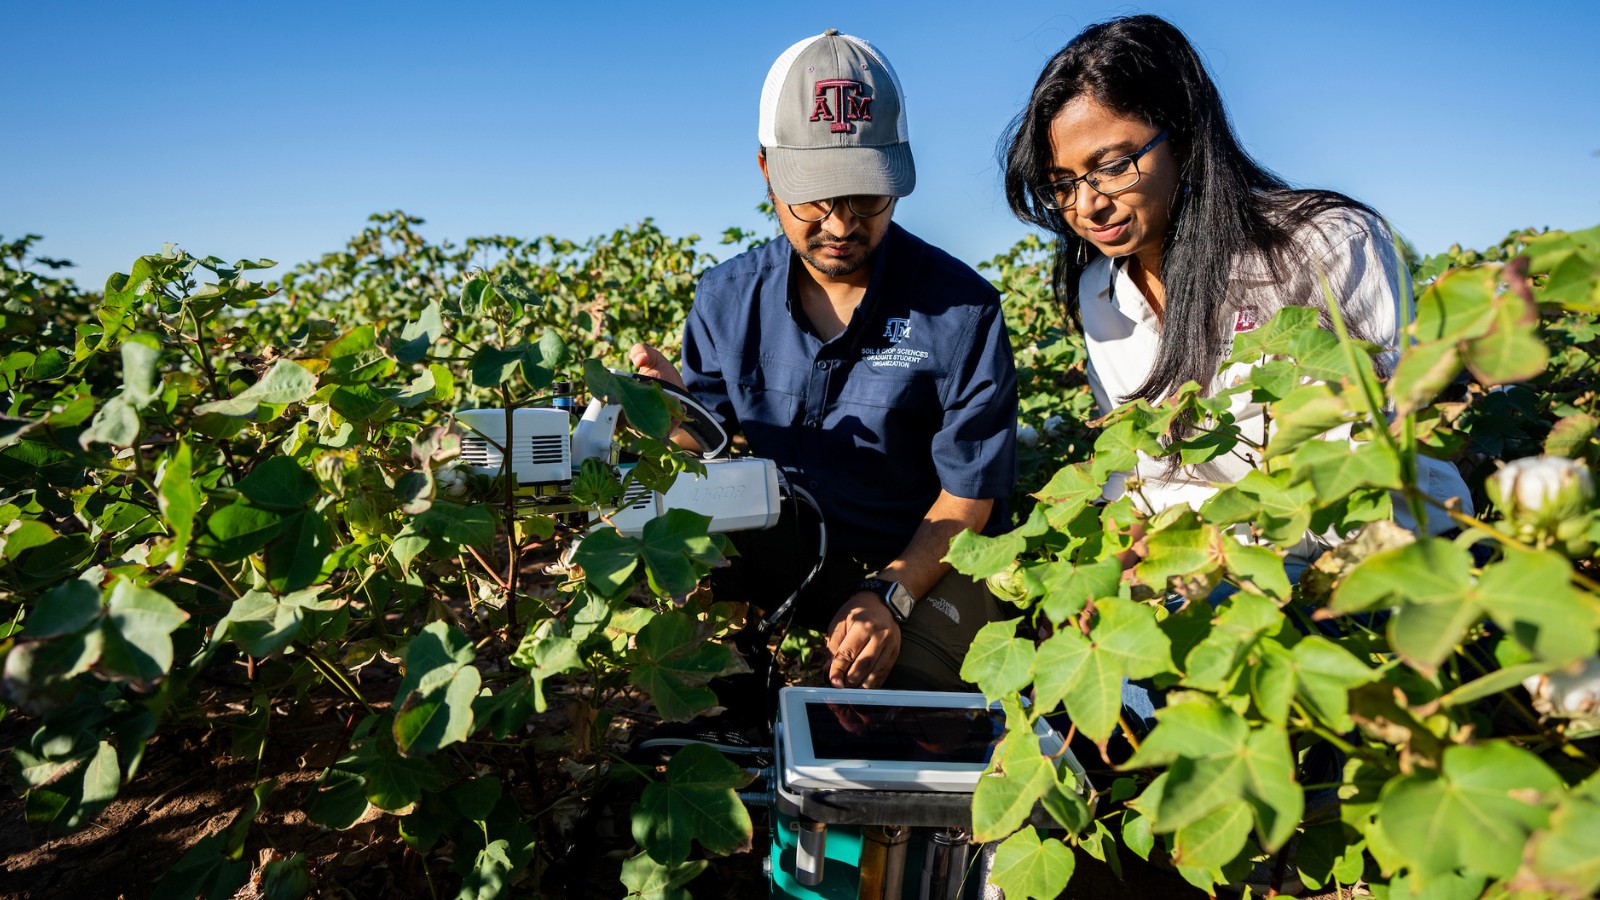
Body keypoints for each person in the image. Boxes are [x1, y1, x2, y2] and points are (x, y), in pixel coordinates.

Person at [1001, 14, 1472, 592]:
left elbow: (1375, 468)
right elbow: (1133, 478)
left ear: (1183, 137)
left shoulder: (1326, 244)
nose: (1088, 205)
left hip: (1376, 574)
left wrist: (1202, 551)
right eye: (1063, 183)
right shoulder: (1099, 292)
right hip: (1201, 580)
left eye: (1113, 165)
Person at [630, 29, 1018, 693]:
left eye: (867, 197)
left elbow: (969, 495)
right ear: (767, 174)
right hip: (783, 542)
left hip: (921, 557)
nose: (840, 225)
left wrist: (890, 595)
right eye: (813, 198)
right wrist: (666, 415)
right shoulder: (725, 299)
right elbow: (713, 445)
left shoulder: (962, 310)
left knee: (915, 704)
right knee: (660, 587)